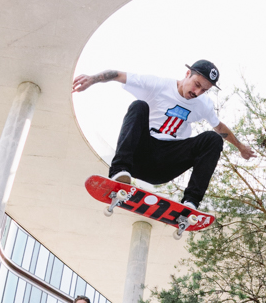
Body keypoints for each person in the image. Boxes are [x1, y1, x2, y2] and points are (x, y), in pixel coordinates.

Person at [72, 61, 254, 219]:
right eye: (196, 85)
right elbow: (118, 75)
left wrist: (240, 147)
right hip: (141, 154)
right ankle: (119, 171)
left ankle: (191, 202)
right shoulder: (159, 85)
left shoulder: (203, 104)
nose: (197, 92)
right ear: (187, 74)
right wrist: (92, 79)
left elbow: (220, 128)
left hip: (168, 162)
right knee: (139, 106)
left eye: (204, 90)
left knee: (213, 139)